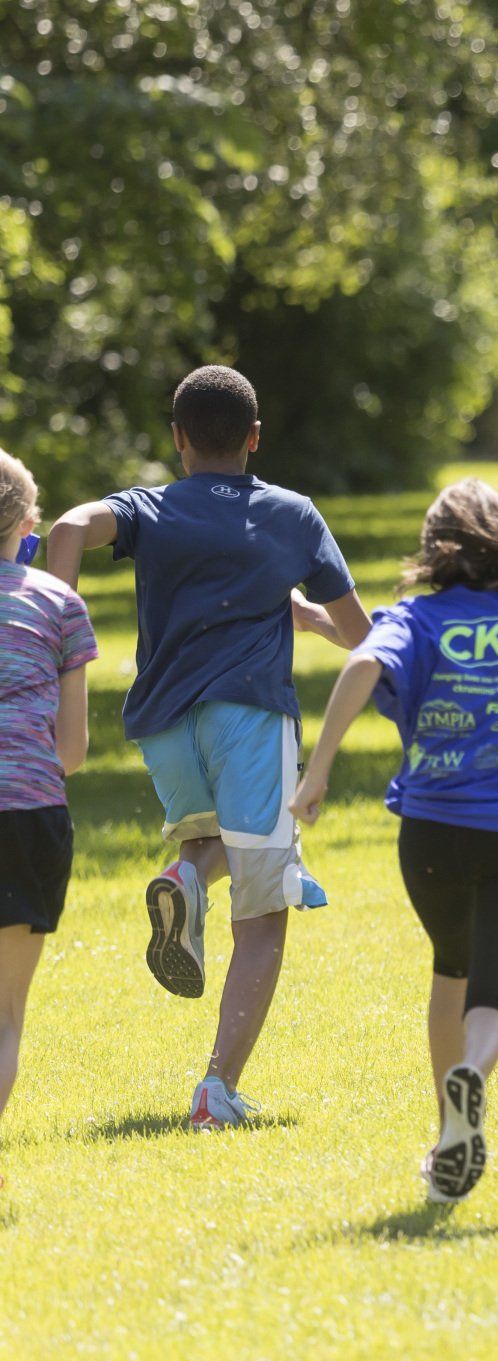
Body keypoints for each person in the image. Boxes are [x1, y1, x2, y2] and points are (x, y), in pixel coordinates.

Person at [46, 365, 369, 1129]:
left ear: (179, 440)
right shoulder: (291, 514)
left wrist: (56, 628)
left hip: (162, 727)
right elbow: (363, 633)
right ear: (254, 439)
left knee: (213, 844)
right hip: (251, 720)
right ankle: (216, 1089)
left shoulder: (149, 507)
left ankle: (184, 879)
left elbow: (64, 531)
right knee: (263, 909)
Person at [290, 479, 498, 1202]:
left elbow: (363, 662)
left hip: (432, 830)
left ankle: (447, 1141)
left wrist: (317, 773)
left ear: (438, 549)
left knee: (450, 966)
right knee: (491, 999)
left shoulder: (418, 617)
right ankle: (472, 1074)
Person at [0, 452, 94, 1146]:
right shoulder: (58, 604)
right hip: (30, 815)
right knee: (5, 1011)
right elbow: (72, 750)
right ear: (29, 524)